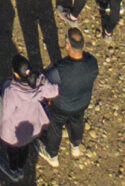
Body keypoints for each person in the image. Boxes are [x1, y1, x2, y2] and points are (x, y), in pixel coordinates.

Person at [40, 24, 99, 160]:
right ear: (83, 45)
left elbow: (47, 80)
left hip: (61, 106)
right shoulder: (92, 63)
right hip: (82, 103)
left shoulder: (60, 69)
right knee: (77, 122)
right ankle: (75, 145)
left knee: (55, 126)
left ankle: (52, 155)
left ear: (67, 46)